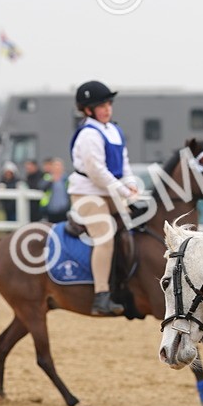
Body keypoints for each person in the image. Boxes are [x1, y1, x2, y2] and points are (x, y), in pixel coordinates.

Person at [68, 80, 139, 316]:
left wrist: (131, 185)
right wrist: (122, 189)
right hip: (87, 193)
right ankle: (101, 296)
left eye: (108, 103)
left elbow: (124, 164)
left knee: (143, 221)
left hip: (110, 191)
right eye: (101, 105)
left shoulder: (114, 130)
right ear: (88, 110)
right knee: (105, 235)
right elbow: (97, 171)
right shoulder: (89, 134)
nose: (107, 108)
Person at [41, 157, 70, 223]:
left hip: (64, 209)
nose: (57, 168)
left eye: (59, 166)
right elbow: (42, 187)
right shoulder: (48, 177)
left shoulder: (66, 179)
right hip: (51, 209)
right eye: (55, 166)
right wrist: (51, 181)